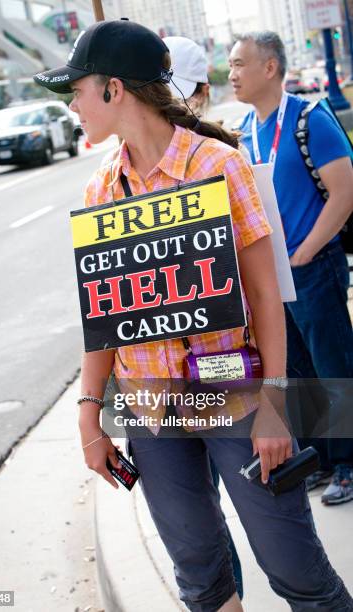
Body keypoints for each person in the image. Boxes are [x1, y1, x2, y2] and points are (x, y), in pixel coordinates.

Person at [34, 19, 353, 611]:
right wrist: (89, 413)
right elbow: (104, 316)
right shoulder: (101, 191)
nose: (72, 104)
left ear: (114, 90)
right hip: (151, 407)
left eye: (76, 89)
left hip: (233, 390)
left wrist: (278, 407)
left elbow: (264, 296)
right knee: (200, 579)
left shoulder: (218, 165)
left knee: (296, 571)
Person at [229, 31, 353, 506]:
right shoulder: (244, 132)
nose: (233, 74)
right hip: (277, 275)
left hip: (313, 266)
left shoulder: (309, 120)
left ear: (270, 68)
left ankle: (347, 463)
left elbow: (344, 193)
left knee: (334, 368)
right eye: (231, 65)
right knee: (298, 372)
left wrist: (305, 252)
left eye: (241, 64)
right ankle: (321, 458)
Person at [165, 34, 244, 601]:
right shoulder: (117, 174)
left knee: (232, 511)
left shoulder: (221, 161)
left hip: (220, 365)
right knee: (204, 515)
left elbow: (265, 288)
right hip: (176, 376)